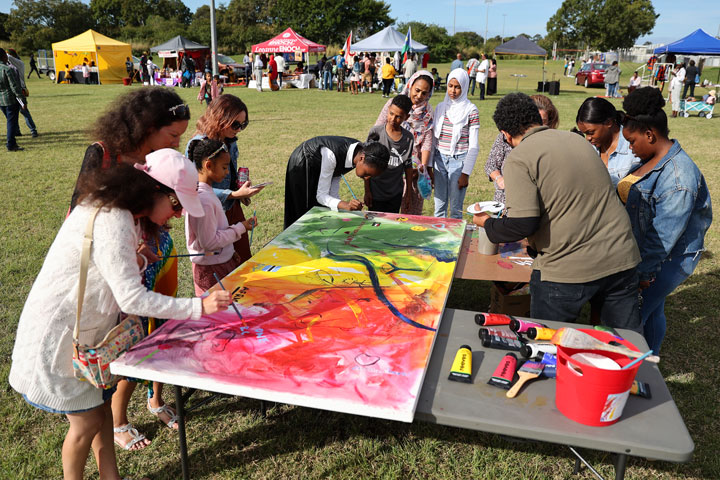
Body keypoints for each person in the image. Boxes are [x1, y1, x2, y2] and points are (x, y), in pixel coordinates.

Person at [9, 149, 231, 480]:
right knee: (86, 424)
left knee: (98, 414)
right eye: (175, 205)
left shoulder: (123, 215)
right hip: (59, 339)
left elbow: (111, 270)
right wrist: (199, 306)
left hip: (83, 335)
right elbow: (132, 298)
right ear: (154, 191)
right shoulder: (114, 219)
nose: (177, 214)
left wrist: (140, 260)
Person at [68, 87, 192, 450]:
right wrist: (132, 251)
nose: (175, 143)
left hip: (146, 256)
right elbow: (84, 217)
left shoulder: (152, 163)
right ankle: (119, 420)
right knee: (123, 347)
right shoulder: (105, 155)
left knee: (151, 335)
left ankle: (150, 402)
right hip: (115, 273)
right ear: (148, 127)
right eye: (171, 136)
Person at [474, 92, 642, 331]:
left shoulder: (519, 159)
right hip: (620, 258)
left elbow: (522, 224)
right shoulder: (578, 141)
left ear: (506, 134)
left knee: (549, 343)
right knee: (626, 343)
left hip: (566, 271)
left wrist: (486, 224)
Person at [617, 87, 712, 354]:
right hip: (647, 253)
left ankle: (636, 369)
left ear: (650, 134)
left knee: (631, 318)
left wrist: (643, 273)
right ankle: (651, 359)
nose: (630, 149)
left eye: (632, 141)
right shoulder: (651, 158)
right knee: (653, 308)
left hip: (667, 259)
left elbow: (663, 236)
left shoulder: (679, 178)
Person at [188, 94, 264, 262]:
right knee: (222, 260)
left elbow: (230, 174)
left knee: (242, 257)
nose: (238, 129)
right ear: (220, 118)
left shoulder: (230, 141)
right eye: (235, 124)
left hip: (232, 207)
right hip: (210, 212)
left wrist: (240, 192)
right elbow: (193, 187)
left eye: (243, 124)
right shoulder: (199, 145)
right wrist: (233, 194)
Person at [185, 137, 258, 295]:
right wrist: (241, 227)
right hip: (211, 270)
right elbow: (210, 242)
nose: (227, 173)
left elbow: (215, 232)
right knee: (219, 314)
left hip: (218, 263)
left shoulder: (206, 193)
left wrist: (230, 252)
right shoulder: (204, 200)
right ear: (208, 165)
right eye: (225, 168)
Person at [283, 137, 390, 228]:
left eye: (371, 176)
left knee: (323, 212)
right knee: (304, 215)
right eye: (367, 173)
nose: (367, 178)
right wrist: (345, 205)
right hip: (304, 165)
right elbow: (321, 196)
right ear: (362, 158)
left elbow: (333, 185)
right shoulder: (331, 155)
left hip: (318, 169)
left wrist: (342, 206)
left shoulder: (357, 155)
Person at [375, 70, 436, 215]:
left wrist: (423, 167)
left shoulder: (427, 112)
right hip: (392, 161)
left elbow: (427, 141)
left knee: (412, 210)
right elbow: (378, 128)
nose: (419, 96)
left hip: (415, 167)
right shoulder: (394, 103)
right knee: (389, 210)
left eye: (424, 93)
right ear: (410, 84)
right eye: (417, 90)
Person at [484, 95, 559, 204]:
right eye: (534, 120)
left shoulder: (551, 143)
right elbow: (490, 165)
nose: (538, 126)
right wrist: (499, 179)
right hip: (504, 203)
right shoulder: (506, 136)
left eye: (543, 121)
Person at [432, 69, 480, 219]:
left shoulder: (471, 110)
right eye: (450, 86)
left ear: (464, 87)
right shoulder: (441, 107)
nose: (453, 90)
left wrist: (465, 174)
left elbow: (473, 146)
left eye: (457, 87)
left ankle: (454, 240)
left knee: (455, 209)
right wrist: (429, 166)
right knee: (439, 206)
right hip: (439, 160)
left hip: (459, 162)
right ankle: (437, 238)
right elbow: (434, 140)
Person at [364, 95, 415, 213]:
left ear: (406, 117)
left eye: (398, 116)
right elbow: (367, 163)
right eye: (391, 114)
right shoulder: (375, 133)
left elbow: (408, 166)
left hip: (395, 194)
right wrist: (367, 191)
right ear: (388, 110)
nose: (393, 119)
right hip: (375, 193)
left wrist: (408, 194)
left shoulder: (408, 139)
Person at [575, 97, 642, 187]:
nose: (588, 138)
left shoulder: (634, 149)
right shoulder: (589, 148)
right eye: (585, 134)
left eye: (590, 133)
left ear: (608, 123)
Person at [6, 49, 38, 138]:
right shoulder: (7, 65)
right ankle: (17, 131)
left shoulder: (19, 63)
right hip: (12, 91)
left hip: (20, 90)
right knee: (13, 113)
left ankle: (33, 130)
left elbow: (8, 57)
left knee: (24, 111)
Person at [0, 48, 26, 152]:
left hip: (1, 101)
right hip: (10, 100)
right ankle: (11, 144)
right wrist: (22, 101)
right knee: (11, 122)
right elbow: (14, 87)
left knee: (10, 121)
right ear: (3, 56)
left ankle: (12, 143)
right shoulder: (7, 69)